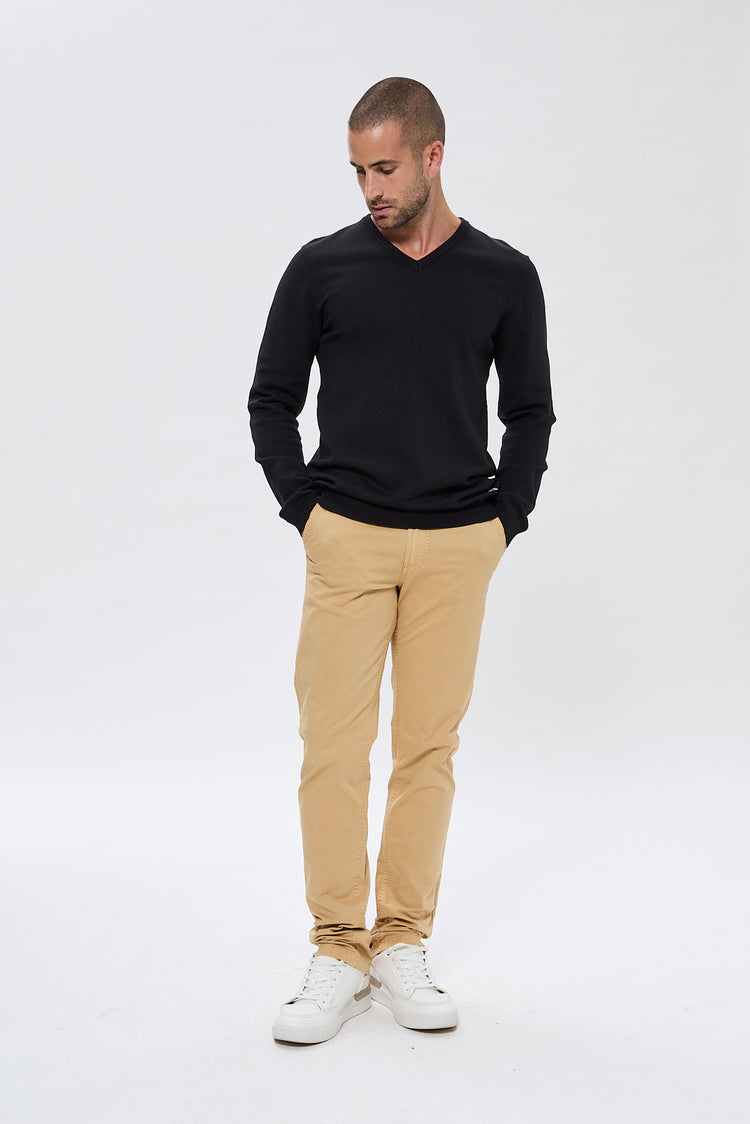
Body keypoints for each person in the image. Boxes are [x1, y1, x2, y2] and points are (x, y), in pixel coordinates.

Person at [248, 76, 555, 1045]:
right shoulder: (322, 267)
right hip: (347, 536)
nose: (370, 188)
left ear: (432, 155)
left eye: (384, 168)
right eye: (357, 171)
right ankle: (339, 948)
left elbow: (530, 410)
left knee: (428, 749)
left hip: (459, 543)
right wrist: (306, 512)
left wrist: (504, 521)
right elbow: (270, 398)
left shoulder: (504, 274)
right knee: (333, 750)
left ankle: (402, 941)